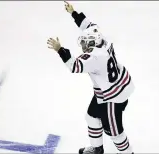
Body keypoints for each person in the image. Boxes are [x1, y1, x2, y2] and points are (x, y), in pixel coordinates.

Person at [47, 1, 135, 154]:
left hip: (112, 97)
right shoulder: (102, 39)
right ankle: (97, 148)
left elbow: (74, 66)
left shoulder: (94, 58)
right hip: (115, 86)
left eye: (86, 43)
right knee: (92, 116)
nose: (84, 46)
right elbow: (88, 26)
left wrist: (59, 49)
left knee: (114, 132)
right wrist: (73, 13)